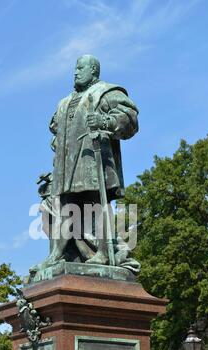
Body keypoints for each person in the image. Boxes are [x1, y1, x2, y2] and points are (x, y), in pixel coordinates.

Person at [37, 54, 139, 269]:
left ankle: (103, 252)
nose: (75, 72)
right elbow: (58, 129)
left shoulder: (106, 92)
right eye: (75, 68)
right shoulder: (65, 101)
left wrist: (104, 121)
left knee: (95, 204)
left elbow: (129, 119)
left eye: (80, 68)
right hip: (67, 165)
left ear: (93, 71)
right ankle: (58, 252)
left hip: (92, 159)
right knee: (64, 204)